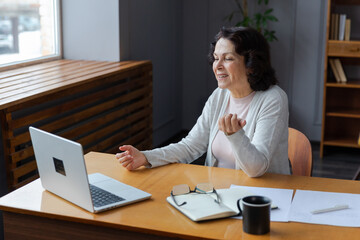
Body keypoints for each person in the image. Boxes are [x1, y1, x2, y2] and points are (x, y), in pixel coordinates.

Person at [116, 26, 290, 177]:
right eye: (216, 58)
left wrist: (236, 136)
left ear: (251, 64)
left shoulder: (273, 98)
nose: (217, 65)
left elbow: (257, 169)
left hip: (262, 201)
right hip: (219, 196)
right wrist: (146, 157)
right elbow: (191, 146)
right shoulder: (219, 95)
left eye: (228, 58)